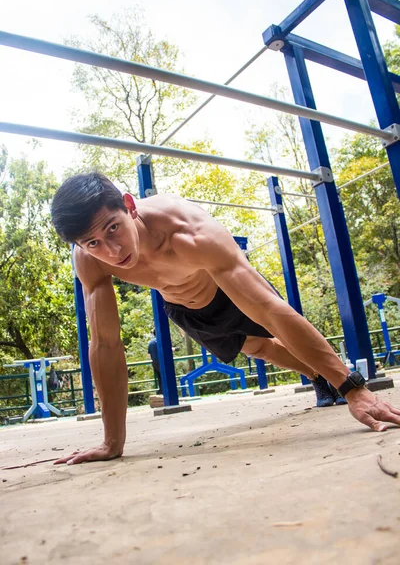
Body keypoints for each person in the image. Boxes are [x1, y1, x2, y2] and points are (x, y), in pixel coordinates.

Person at [50, 173, 400, 465]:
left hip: (222, 285)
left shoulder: (188, 232)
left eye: (113, 229)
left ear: (129, 206)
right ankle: (316, 375)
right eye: (92, 242)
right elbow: (106, 343)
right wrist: (112, 442)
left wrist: (354, 388)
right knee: (257, 349)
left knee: (268, 332)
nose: (111, 251)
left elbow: (269, 310)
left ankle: (334, 378)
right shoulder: (90, 259)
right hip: (184, 307)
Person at [148, 329, 162, 395]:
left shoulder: (151, 343)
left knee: (159, 378)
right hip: (162, 362)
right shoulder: (161, 341)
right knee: (165, 377)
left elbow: (149, 355)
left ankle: (161, 391)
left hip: (155, 363)